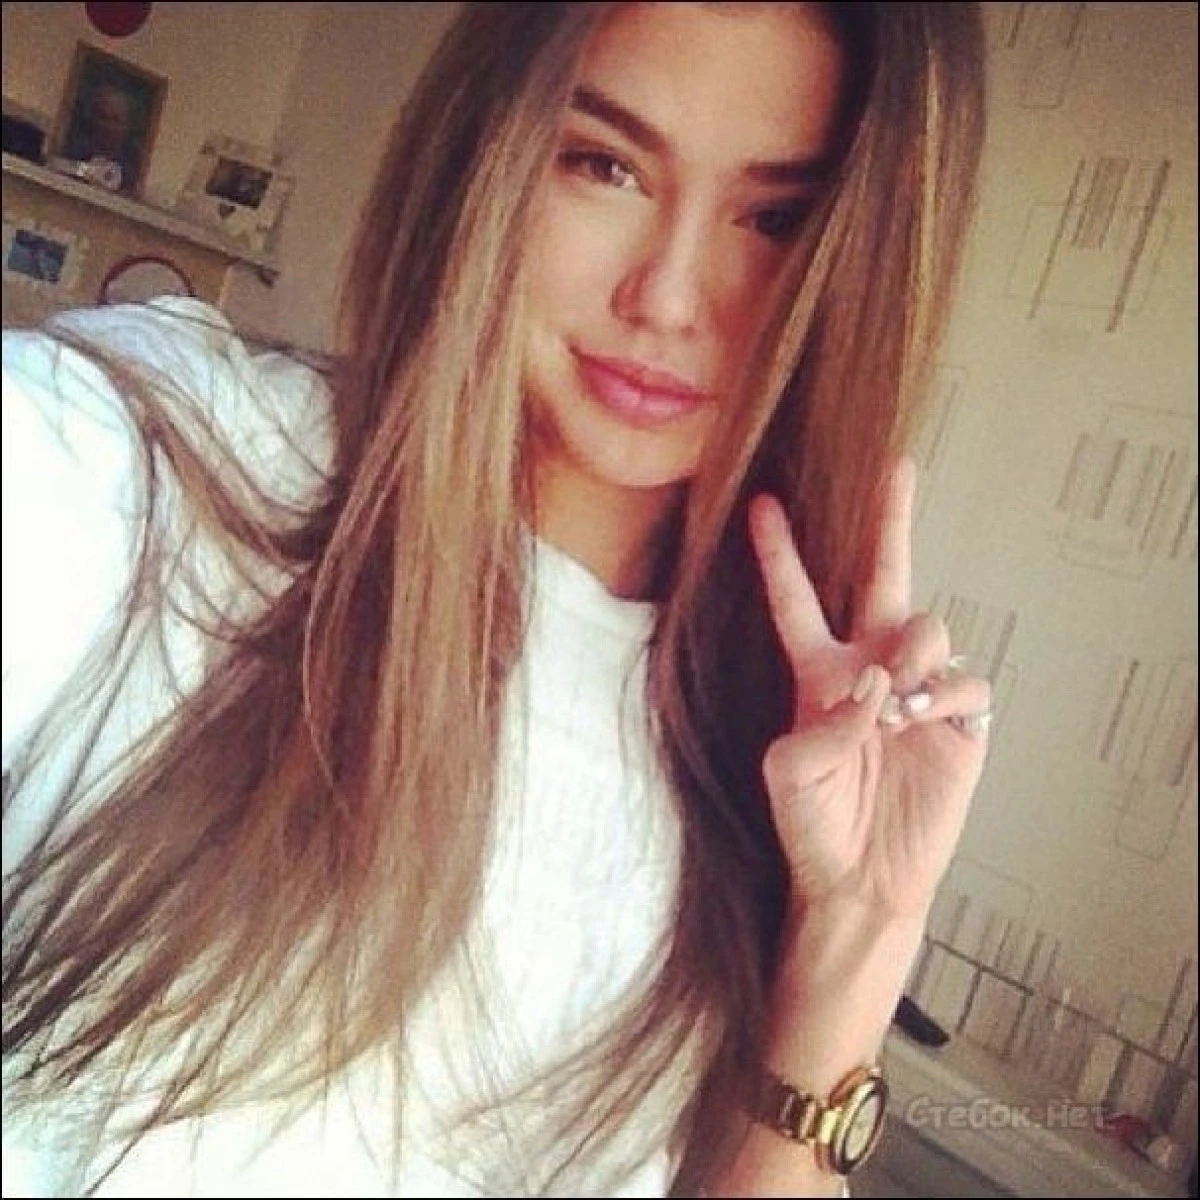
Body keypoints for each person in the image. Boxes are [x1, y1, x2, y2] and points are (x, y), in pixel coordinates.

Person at [1, 3, 990, 1196]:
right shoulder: (160, 465)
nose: (670, 297)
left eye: (774, 217)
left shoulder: (776, 758)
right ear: (486, 150)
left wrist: (860, 929)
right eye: (604, 165)